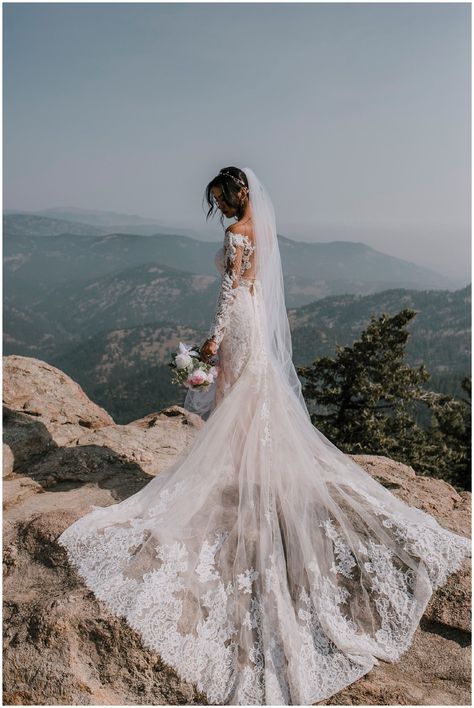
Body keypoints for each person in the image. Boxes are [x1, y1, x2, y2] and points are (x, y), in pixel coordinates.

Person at [57, 166, 471, 706]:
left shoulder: (235, 236)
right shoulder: (265, 232)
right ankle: (254, 469)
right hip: (257, 321)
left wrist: (211, 344)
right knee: (255, 400)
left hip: (239, 325)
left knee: (234, 399)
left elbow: (229, 294)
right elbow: (254, 287)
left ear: (238, 193)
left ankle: (237, 475)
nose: (220, 210)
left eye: (221, 200)